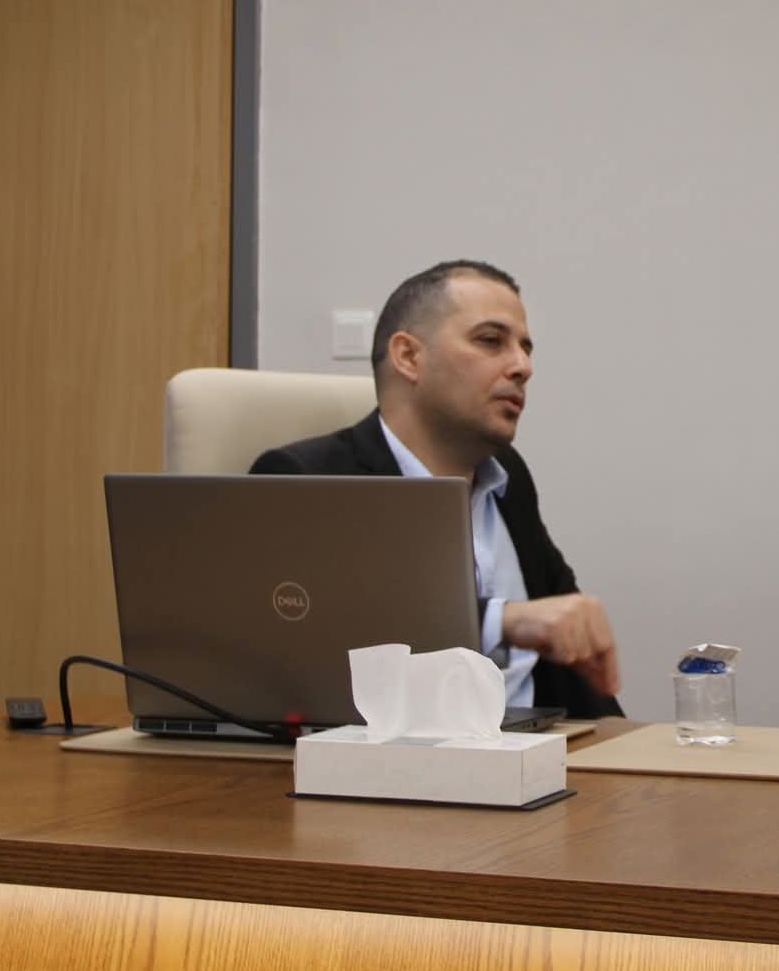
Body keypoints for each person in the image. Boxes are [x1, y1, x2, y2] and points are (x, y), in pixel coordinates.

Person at [251, 260, 622, 719]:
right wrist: (500, 621)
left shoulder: (509, 478)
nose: (522, 366)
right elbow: (328, 641)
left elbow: (569, 652)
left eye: (526, 349)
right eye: (491, 341)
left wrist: (629, 747)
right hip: (392, 757)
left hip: (545, 749)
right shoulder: (307, 481)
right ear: (408, 356)